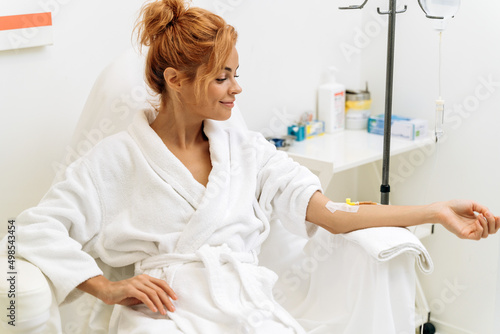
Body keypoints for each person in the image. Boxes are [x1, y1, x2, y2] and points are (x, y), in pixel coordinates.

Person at [9, 0, 499, 333]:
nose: (237, 89)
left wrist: (433, 211)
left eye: (235, 75)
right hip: (163, 315)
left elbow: (333, 213)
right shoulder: (115, 158)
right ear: (176, 80)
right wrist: (107, 286)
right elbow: (28, 231)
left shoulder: (247, 152)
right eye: (222, 78)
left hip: (243, 302)